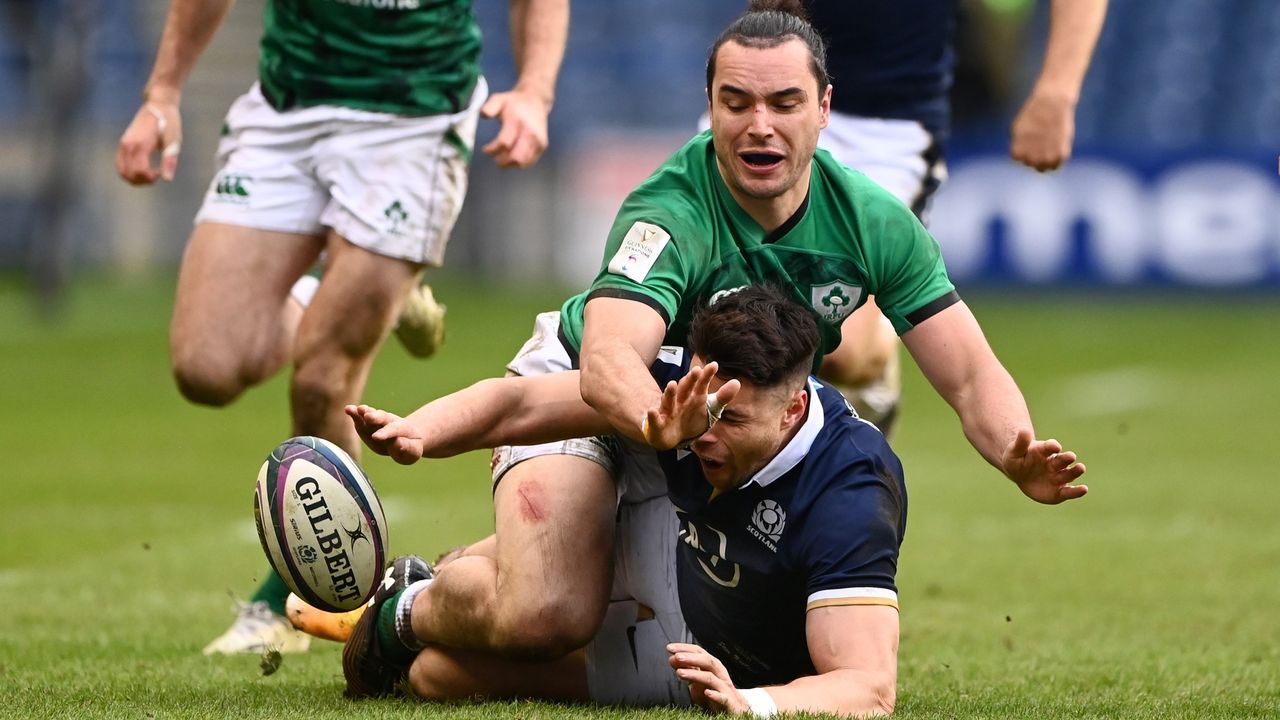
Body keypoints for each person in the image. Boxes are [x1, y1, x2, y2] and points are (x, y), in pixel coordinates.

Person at [297, 0, 1085, 680]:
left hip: (707, 428)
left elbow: (971, 373)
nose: (759, 125)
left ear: (824, 107)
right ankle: (409, 606)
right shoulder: (669, 212)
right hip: (589, 398)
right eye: (736, 102)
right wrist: (654, 420)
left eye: (784, 102)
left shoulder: (875, 222)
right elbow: (607, 359)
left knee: (746, 650)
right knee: (546, 615)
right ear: (709, 105)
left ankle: (463, 588)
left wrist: (1014, 449)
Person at [114, 0, 568, 655]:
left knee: (325, 379)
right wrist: (162, 94)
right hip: (289, 103)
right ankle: (361, 288)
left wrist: (533, 91)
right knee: (204, 368)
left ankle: (298, 606)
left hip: (413, 117)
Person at [294, 285, 904, 716]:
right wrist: (421, 431)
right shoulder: (681, 393)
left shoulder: (849, 488)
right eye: (701, 408)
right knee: (538, 612)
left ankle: (432, 582)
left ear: (794, 408)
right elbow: (525, 405)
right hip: (668, 525)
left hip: (710, 646)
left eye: (733, 419)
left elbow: (868, 688)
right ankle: (406, 608)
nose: (704, 431)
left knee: (435, 678)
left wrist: (752, 703)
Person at [804, 0, 1110, 433]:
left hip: (882, 131)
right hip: (762, 104)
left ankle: (875, 371)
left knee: (843, 353)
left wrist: (1056, 92)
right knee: (709, 322)